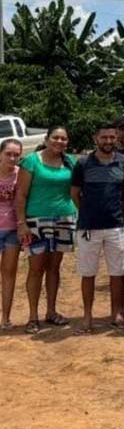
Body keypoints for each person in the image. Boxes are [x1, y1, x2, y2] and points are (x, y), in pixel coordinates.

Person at [70, 122, 124, 333]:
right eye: (104, 137)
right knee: (88, 273)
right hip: (88, 227)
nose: (108, 141)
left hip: (116, 226)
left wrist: (115, 211)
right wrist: (88, 211)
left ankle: (116, 313)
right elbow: (75, 193)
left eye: (112, 137)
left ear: (116, 138)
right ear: (95, 139)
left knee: (117, 272)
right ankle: (87, 316)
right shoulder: (83, 163)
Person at [16, 126, 77, 334]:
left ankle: (51, 311)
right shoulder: (32, 161)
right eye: (56, 137)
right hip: (36, 221)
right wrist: (22, 223)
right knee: (36, 269)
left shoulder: (70, 162)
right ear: (47, 138)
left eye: (63, 139)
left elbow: (76, 191)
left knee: (54, 267)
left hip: (63, 219)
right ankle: (33, 316)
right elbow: (21, 195)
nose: (59, 141)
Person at [0, 140, 22, 329]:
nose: (12, 158)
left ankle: (5, 317)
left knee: (9, 275)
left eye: (16, 154)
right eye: (8, 153)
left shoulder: (21, 175)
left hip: (13, 231)